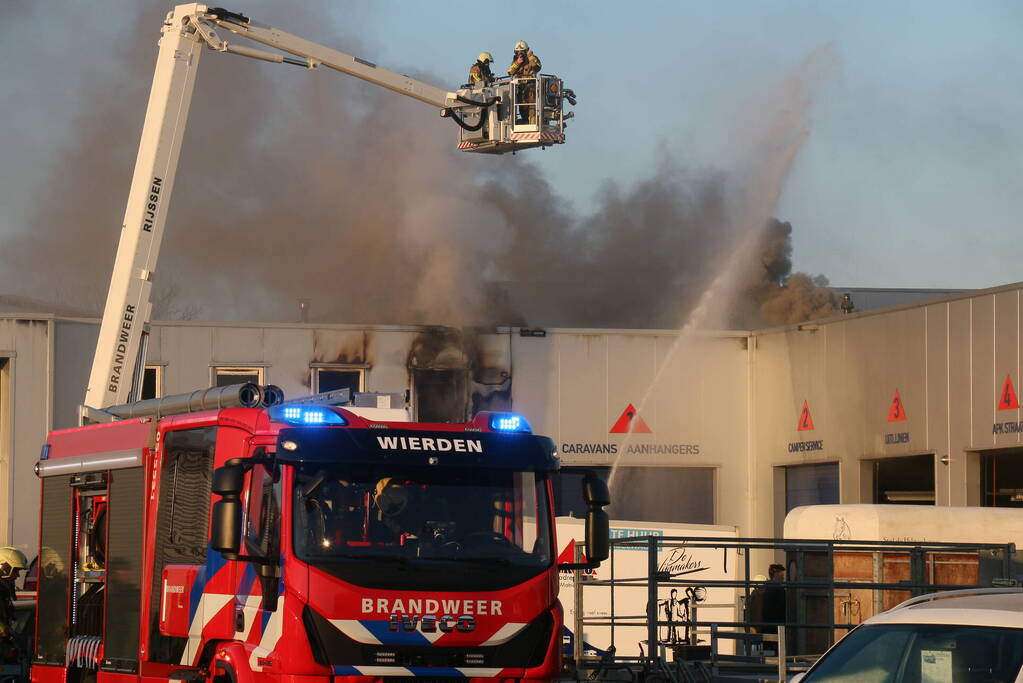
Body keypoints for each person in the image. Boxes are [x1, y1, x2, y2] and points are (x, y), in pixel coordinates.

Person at [507, 41, 542, 124]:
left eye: (522, 52)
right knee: (522, 108)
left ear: (526, 51)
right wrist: (517, 63)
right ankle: (525, 121)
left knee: (532, 108)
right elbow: (510, 72)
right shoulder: (516, 61)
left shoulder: (533, 58)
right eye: (518, 52)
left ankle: (532, 123)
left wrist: (531, 57)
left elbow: (537, 67)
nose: (520, 54)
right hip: (521, 87)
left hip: (531, 87)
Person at [0, 547, 26, 642]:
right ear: (4, 568)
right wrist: (6, 632)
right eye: (15, 571)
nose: (18, 575)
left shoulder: (4, 592)